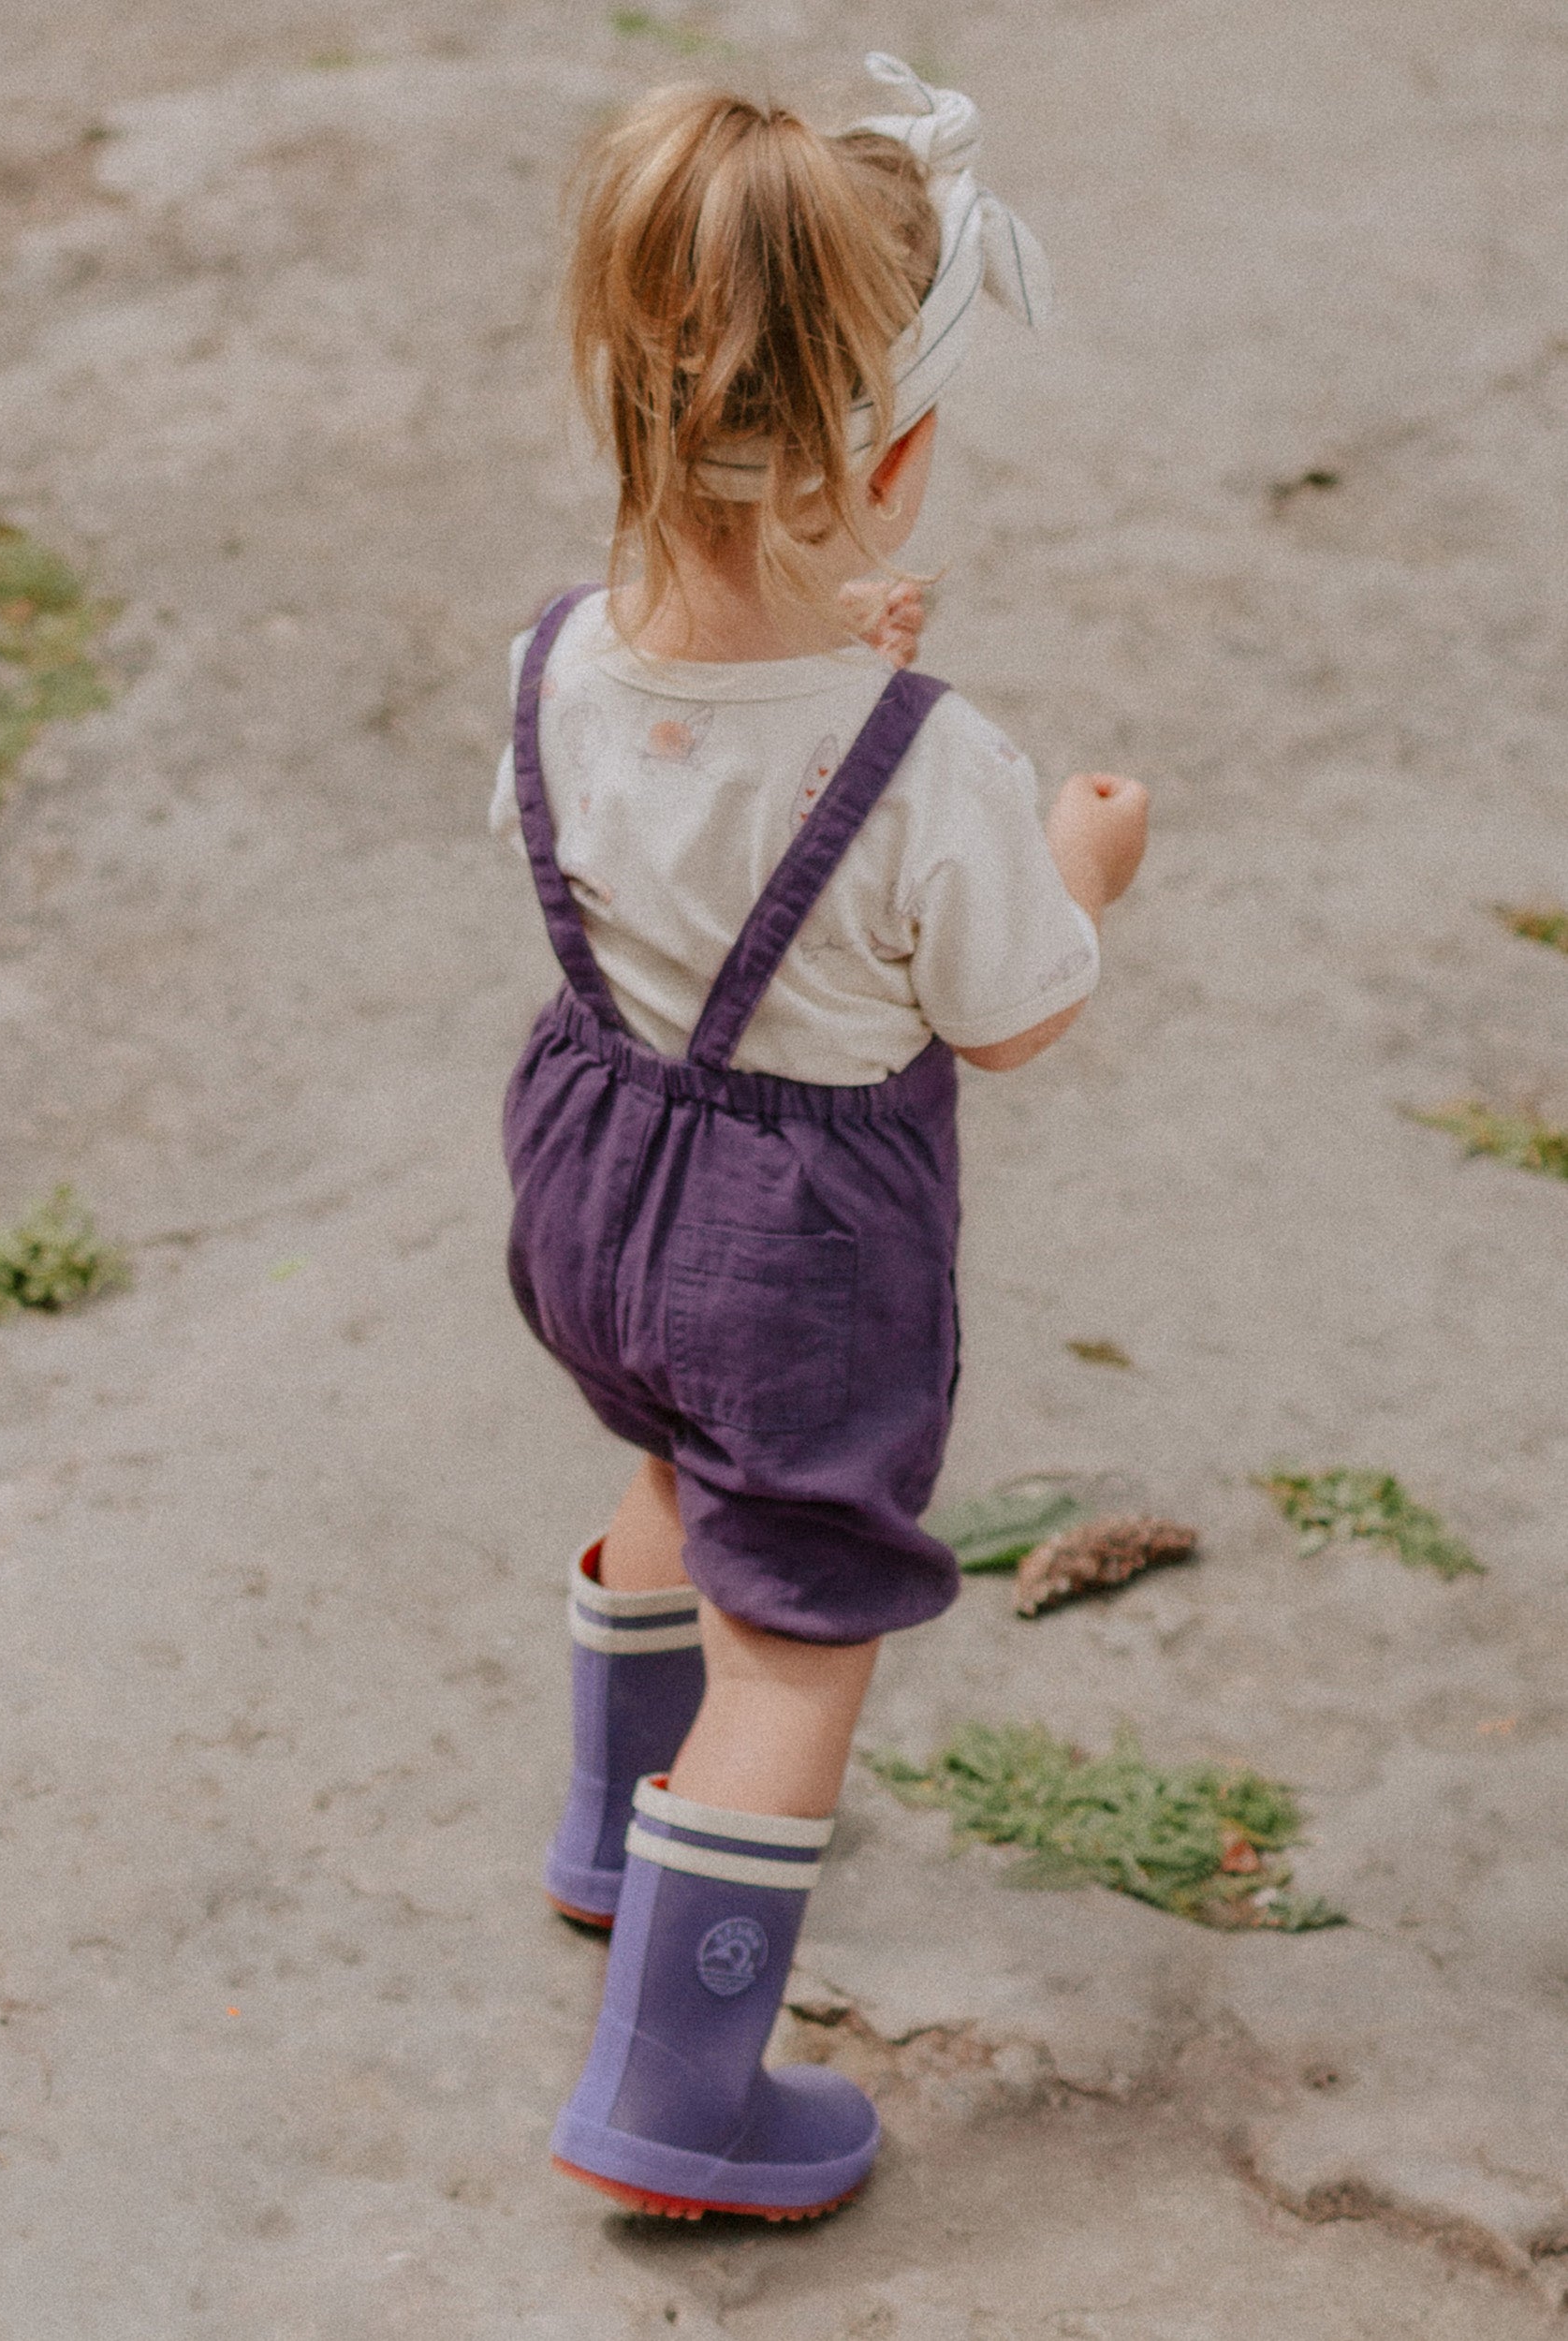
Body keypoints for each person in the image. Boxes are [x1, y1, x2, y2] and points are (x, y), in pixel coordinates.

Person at [491, 54, 1150, 2219]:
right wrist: (1072, 859)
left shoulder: (559, 664)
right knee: (798, 1632)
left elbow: (602, 830)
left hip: (592, 1195)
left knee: (671, 1455)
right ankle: (680, 2099)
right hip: (798, 1248)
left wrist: (799, 662)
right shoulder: (925, 756)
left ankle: (611, 1835)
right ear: (896, 452)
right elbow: (1014, 1011)